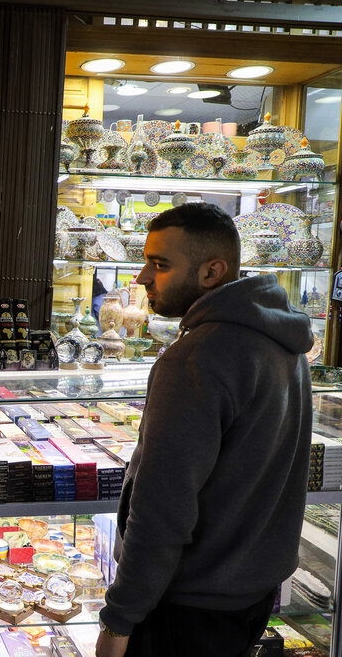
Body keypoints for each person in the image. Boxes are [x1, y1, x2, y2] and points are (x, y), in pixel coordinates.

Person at [96, 202, 314, 657]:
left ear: (212, 271)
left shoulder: (197, 358)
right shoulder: (284, 340)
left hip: (186, 606)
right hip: (251, 592)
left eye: (160, 265)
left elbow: (161, 510)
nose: (141, 278)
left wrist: (118, 622)